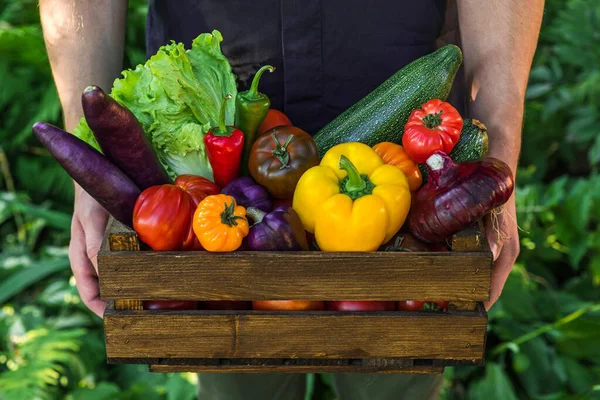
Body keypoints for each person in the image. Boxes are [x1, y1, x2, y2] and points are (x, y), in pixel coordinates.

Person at [39, 1, 544, 399]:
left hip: (411, 155)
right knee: (234, 376)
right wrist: (91, 170)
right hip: (213, 144)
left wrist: (497, 154)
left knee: (397, 376)